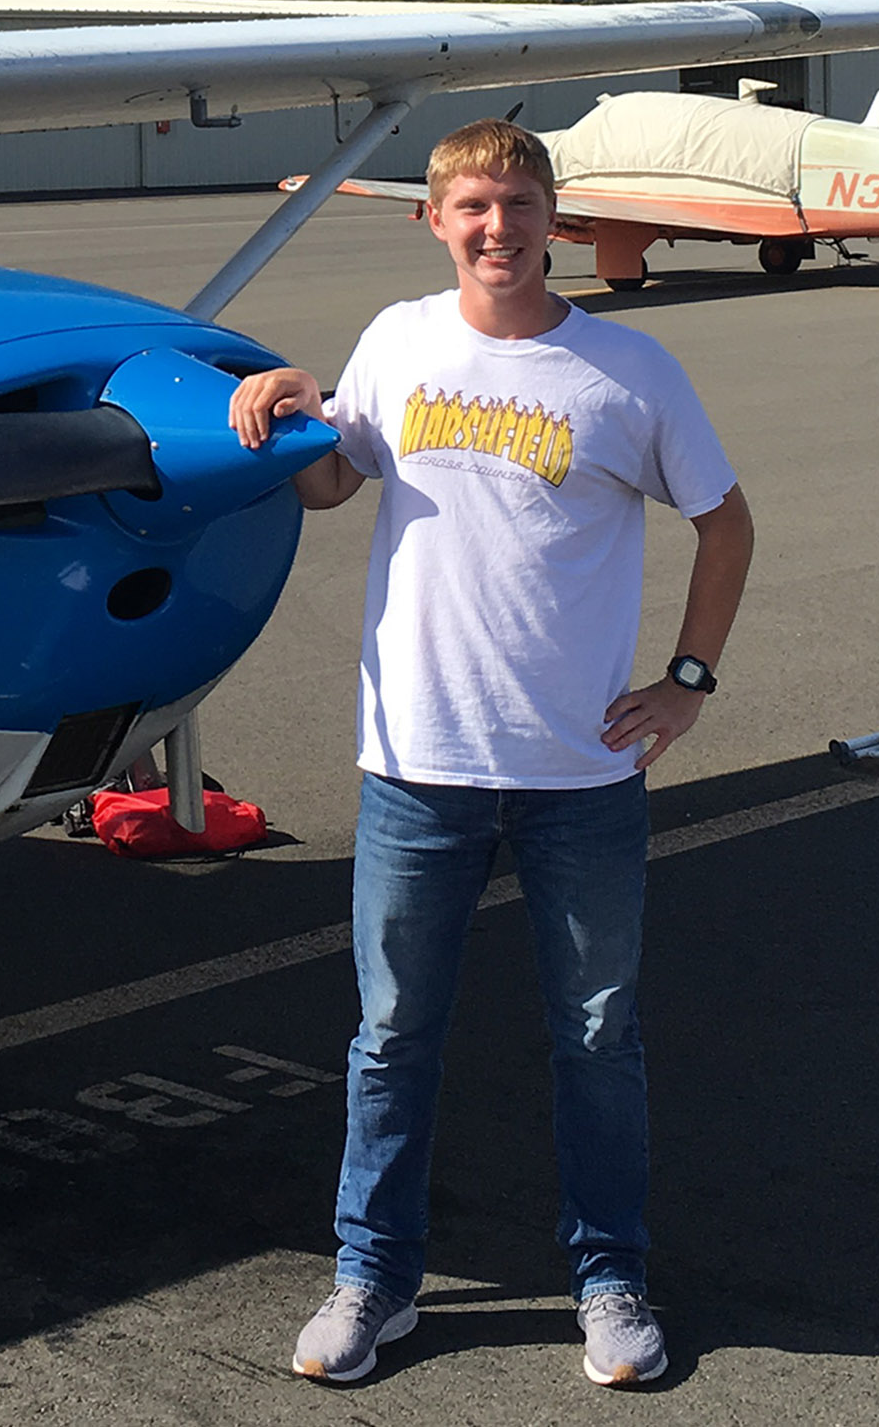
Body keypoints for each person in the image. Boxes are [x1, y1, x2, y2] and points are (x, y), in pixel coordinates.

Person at [228, 118, 754, 1390]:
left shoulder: (627, 372)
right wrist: (279, 405)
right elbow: (331, 483)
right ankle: (372, 1279)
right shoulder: (397, 342)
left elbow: (726, 527)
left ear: (552, 218)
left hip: (581, 772)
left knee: (597, 1035)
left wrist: (685, 687)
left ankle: (611, 1279)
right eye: (470, 206)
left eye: (517, 204)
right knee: (393, 1033)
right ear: (434, 221)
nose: (495, 228)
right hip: (417, 761)